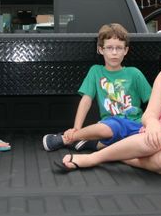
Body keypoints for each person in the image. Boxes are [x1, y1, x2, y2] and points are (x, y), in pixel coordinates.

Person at [55, 12, 161, 182]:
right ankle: (93, 158)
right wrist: (153, 124)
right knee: (154, 139)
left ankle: (120, 156)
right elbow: (150, 113)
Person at [42, 23, 151, 152]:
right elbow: (86, 101)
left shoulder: (134, 73)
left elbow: (153, 102)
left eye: (119, 48)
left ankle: (83, 141)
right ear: (100, 49)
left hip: (135, 124)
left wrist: (151, 124)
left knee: (142, 142)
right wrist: (76, 128)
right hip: (109, 125)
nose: (114, 52)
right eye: (109, 48)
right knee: (107, 129)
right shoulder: (95, 71)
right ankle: (74, 137)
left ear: (125, 50)